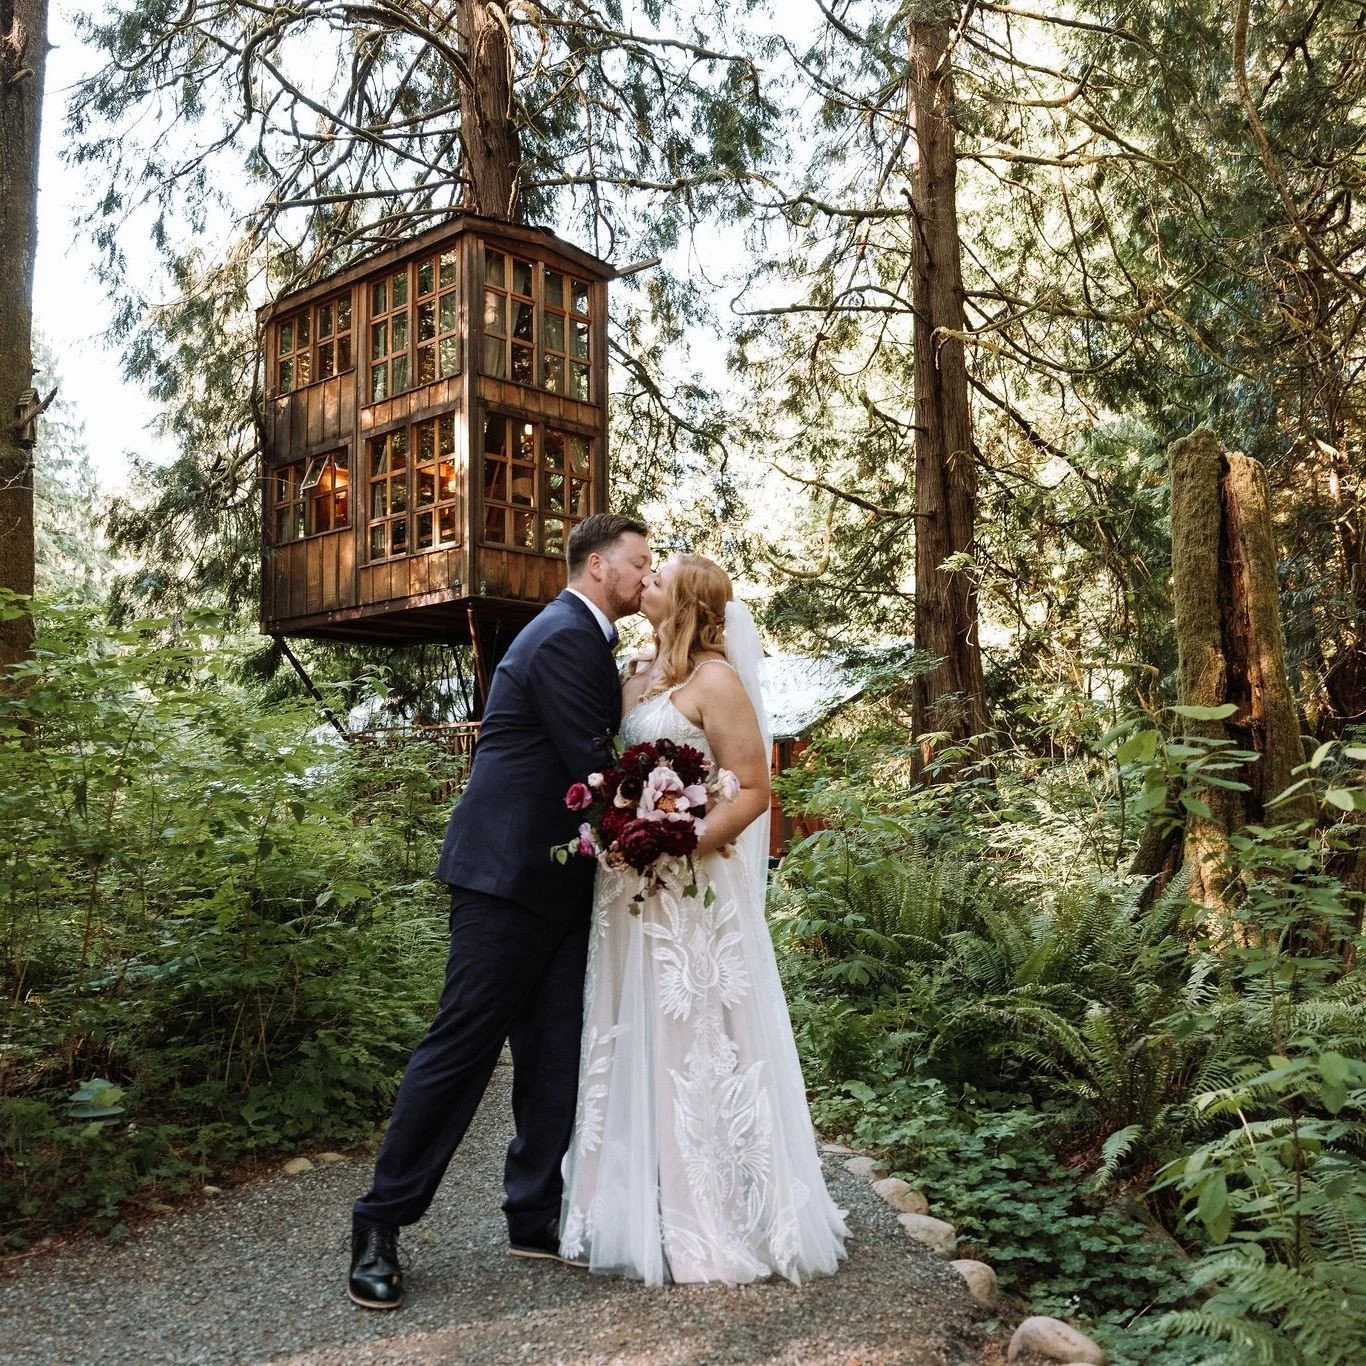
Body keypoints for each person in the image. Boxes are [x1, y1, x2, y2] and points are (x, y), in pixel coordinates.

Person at [347, 513, 652, 1310]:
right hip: (504, 877)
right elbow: (595, 760)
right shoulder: (561, 637)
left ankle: (533, 1214)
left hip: (559, 881)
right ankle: (379, 1221)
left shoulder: (589, 640)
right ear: (595, 568)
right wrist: (666, 810)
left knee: (555, 1052)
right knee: (463, 1047)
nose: (645, 576)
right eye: (637, 563)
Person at [559, 554, 848, 1285]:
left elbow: (752, 789)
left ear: (684, 601)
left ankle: (714, 1210)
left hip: (689, 886)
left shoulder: (715, 681)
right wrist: (621, 832)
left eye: (658, 576)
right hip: (628, 893)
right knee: (631, 1031)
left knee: (694, 1041)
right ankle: (632, 1207)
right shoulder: (634, 676)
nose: (643, 580)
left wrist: (677, 840)